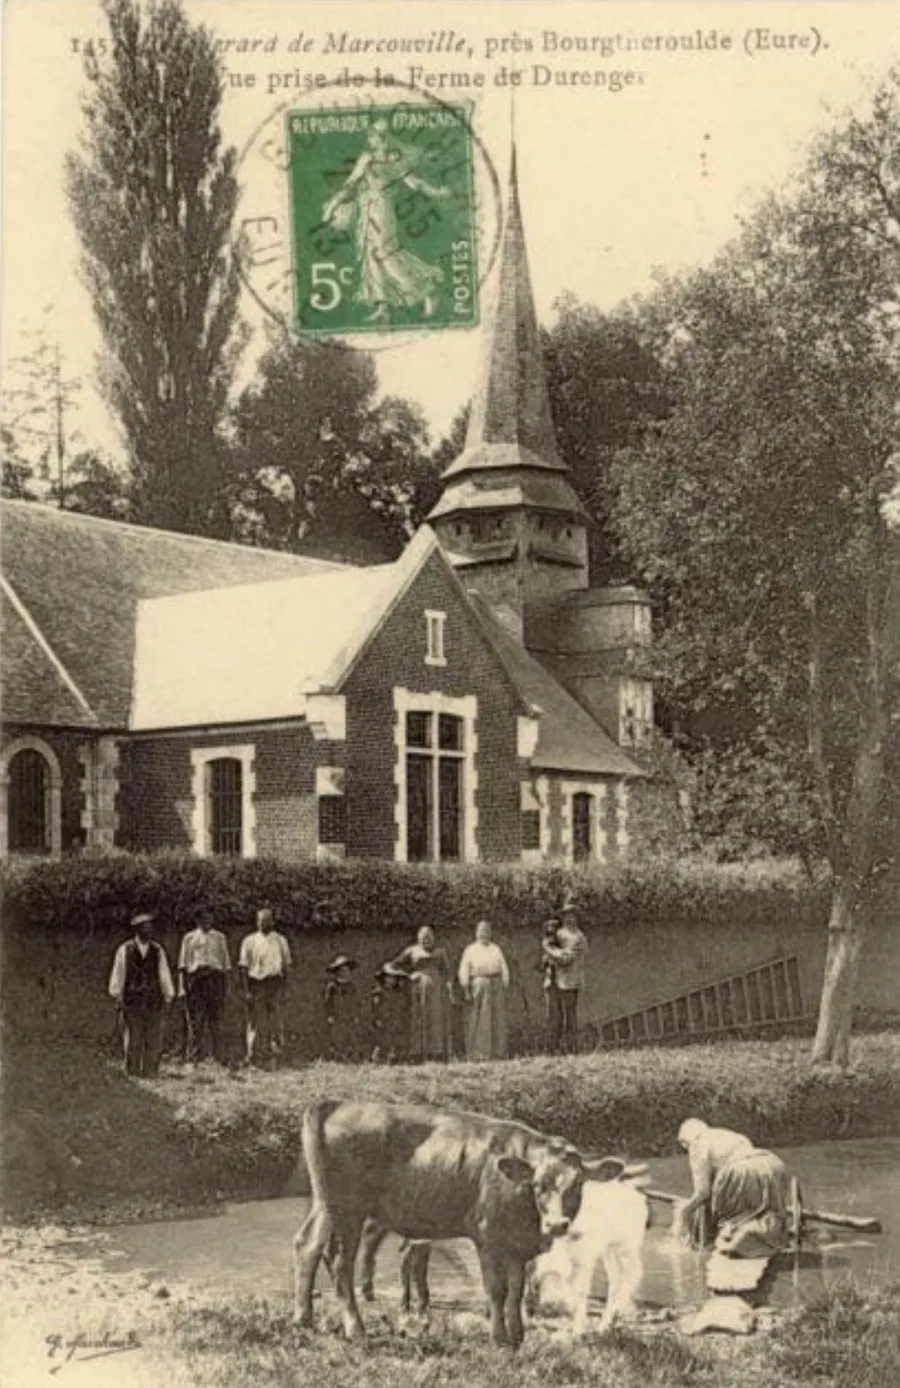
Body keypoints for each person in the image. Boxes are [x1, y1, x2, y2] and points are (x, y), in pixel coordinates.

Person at [322, 117, 451, 324]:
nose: (370, 140)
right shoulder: (367, 158)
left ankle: (427, 290)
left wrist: (437, 193)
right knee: (370, 257)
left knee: (385, 255)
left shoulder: (394, 161)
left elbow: (414, 183)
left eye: (373, 136)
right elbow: (351, 184)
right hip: (366, 210)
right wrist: (333, 205)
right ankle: (383, 306)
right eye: (369, 136)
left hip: (381, 211)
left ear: (383, 139)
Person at [672, 1118, 793, 1257]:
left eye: (685, 1147)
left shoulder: (698, 1144)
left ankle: (739, 1243)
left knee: (733, 1218)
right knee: (761, 1211)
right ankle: (770, 1236)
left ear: (685, 1141)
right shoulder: (730, 1136)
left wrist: (684, 1211)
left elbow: (703, 1192)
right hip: (772, 1163)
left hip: (742, 1170)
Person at [108, 912, 175, 1078]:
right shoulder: (125, 949)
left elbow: (164, 974)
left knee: (153, 1036)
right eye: (145, 928)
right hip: (133, 999)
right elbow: (119, 973)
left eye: (150, 928)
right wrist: (118, 995)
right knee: (133, 1036)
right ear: (137, 930)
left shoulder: (157, 950)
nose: (149, 931)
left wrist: (168, 996)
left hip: (153, 998)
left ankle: (151, 1070)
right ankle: (132, 1071)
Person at [238, 908, 292, 1068]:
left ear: (273, 922)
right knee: (254, 1020)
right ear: (256, 922)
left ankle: (275, 1056)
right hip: (256, 984)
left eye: (267, 921)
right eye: (260, 921)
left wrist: (286, 988)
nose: (263, 924)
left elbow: (287, 966)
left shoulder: (281, 940)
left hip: (275, 983)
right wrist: (246, 990)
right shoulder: (249, 941)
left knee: (275, 1020)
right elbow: (243, 967)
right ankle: (252, 1054)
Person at [390, 925, 452, 1062]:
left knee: (435, 1019)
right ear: (418, 937)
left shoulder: (440, 952)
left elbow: (447, 972)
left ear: (434, 938)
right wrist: (408, 975)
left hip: (437, 990)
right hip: (417, 989)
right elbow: (392, 966)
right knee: (418, 1018)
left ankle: (436, 1052)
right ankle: (417, 1053)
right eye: (423, 937)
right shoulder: (411, 951)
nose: (427, 940)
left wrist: (448, 987)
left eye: (429, 936)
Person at [177, 910, 231, 1064]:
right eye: (203, 919)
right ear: (197, 920)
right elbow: (183, 965)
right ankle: (193, 1059)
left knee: (216, 1021)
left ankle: (219, 1058)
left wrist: (226, 987)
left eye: (210, 918)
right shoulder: (189, 938)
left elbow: (226, 965)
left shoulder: (220, 938)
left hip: (215, 980)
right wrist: (181, 988)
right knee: (195, 1021)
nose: (207, 921)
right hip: (196, 982)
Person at [458, 920, 510, 1061]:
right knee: (481, 1018)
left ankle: (498, 1052)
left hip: (496, 984)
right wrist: (466, 989)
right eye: (481, 930)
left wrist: (504, 985)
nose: (484, 933)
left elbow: (504, 967)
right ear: (476, 933)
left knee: (497, 1018)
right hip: (479, 984)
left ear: (491, 933)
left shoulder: (496, 949)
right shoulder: (470, 950)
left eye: (487, 930)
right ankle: (480, 1054)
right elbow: (464, 970)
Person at [542, 896, 588, 1052]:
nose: (569, 918)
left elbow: (565, 959)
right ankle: (552, 1049)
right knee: (554, 1017)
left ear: (576, 917)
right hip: (553, 980)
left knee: (570, 1017)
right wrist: (549, 951)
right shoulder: (558, 932)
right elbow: (547, 949)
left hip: (570, 981)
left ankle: (571, 1049)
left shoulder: (578, 937)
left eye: (572, 915)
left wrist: (549, 950)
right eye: (566, 915)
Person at [370, 961, 411, 1064]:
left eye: (393, 978)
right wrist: (377, 1018)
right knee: (382, 1040)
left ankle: (393, 1057)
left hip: (395, 1019)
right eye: (388, 977)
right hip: (384, 1019)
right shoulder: (379, 992)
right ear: (383, 978)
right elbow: (376, 1007)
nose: (390, 980)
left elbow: (403, 1005)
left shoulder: (399, 993)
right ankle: (377, 1058)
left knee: (395, 1039)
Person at [324, 955, 360, 1060]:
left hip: (349, 1014)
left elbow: (356, 1001)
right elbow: (328, 1002)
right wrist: (329, 1015)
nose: (345, 973)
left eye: (347, 970)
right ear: (337, 972)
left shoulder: (352, 986)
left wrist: (356, 1014)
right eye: (342, 970)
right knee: (337, 1035)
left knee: (351, 1035)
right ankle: (337, 1055)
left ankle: (350, 1055)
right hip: (337, 1014)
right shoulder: (332, 986)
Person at [539, 918, 562, 1043]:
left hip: (564, 982)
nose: (552, 930)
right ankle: (552, 1044)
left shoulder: (563, 943)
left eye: (555, 928)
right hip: (551, 982)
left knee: (562, 1014)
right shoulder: (546, 943)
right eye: (550, 928)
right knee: (552, 1015)